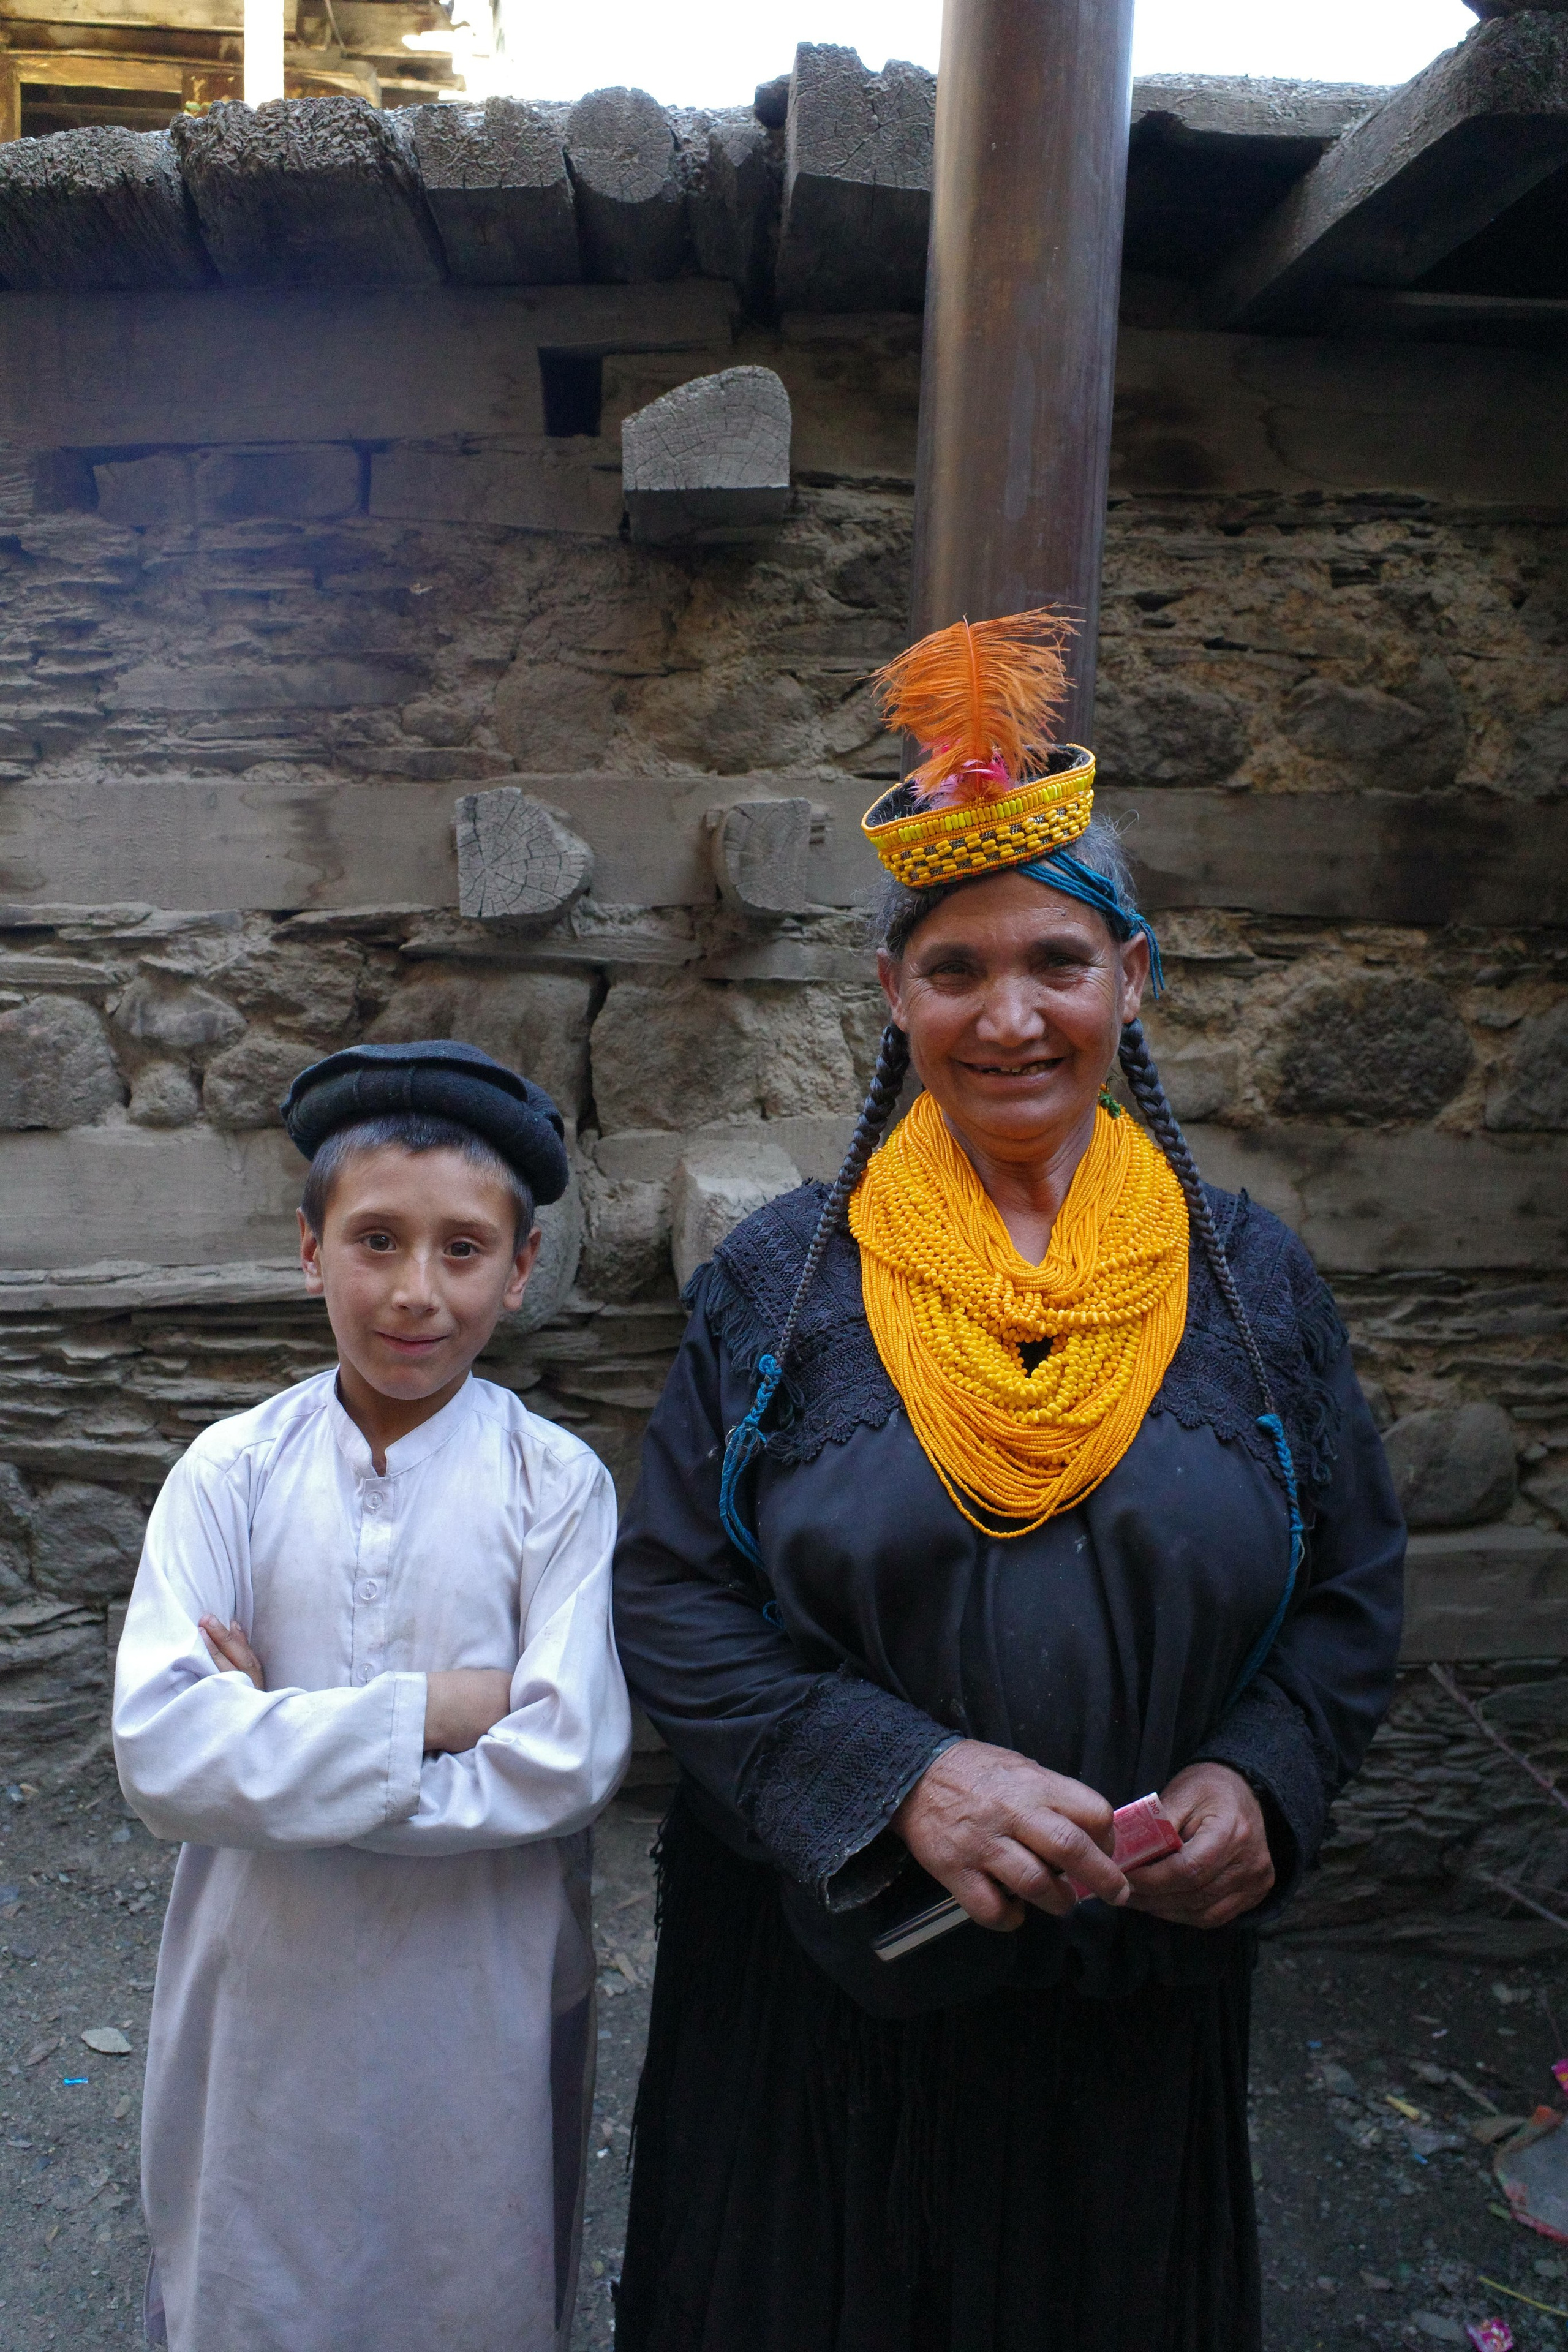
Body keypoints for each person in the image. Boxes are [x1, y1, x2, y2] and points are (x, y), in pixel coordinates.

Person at [611, 612, 1405, 2352]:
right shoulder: (784, 1286)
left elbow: (1348, 1591)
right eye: (956, 969)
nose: (1012, 1014)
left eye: (1058, 959)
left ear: (1137, 977)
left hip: (1134, 1993)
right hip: (823, 1997)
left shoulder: (1255, 1288)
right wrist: (901, 1777)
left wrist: (1259, 1782)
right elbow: (673, 1595)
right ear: (894, 998)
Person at [112, 1040, 631, 2352]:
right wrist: (441, 1713)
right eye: (376, 1241)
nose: (415, 1293)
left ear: (519, 1274)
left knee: (460, 2278)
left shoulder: (554, 1486)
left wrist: (270, 1747)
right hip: (263, 1984)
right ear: (309, 1250)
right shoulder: (229, 1470)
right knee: (252, 2281)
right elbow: (165, 1756)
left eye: (461, 1251)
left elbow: (565, 1764)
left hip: (475, 1988)